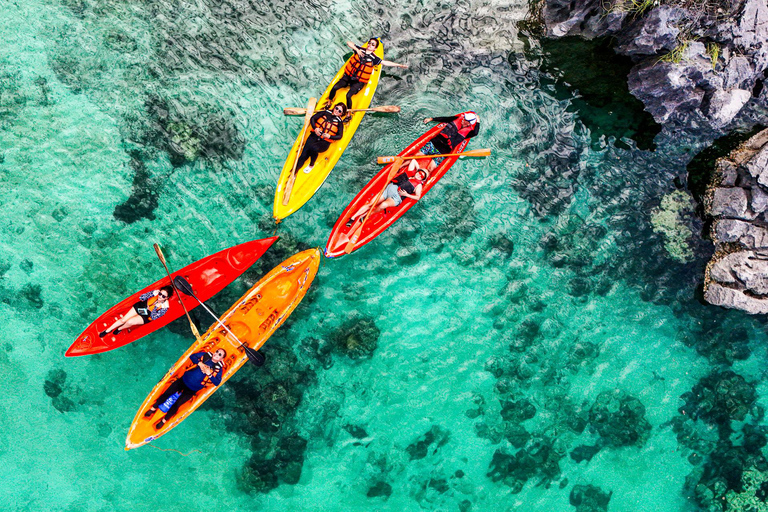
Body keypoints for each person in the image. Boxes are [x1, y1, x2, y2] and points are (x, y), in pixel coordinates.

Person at [143, 348, 227, 430]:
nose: (216, 354)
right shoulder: (206, 355)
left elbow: (217, 382)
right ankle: (154, 408)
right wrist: (200, 363)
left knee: (177, 404)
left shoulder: (218, 369)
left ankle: (164, 420)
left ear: (221, 359)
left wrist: (209, 374)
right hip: (183, 380)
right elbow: (192, 356)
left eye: (219, 354)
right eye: (217, 351)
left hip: (192, 389)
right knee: (167, 393)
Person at [327, 38, 408, 109]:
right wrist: (357, 50)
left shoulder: (374, 58)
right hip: (348, 76)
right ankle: (329, 101)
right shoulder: (360, 49)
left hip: (358, 81)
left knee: (348, 96)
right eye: (369, 43)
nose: (369, 45)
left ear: (375, 48)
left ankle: (349, 113)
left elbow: (385, 62)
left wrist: (399, 65)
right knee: (334, 88)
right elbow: (349, 43)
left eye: (372, 45)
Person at [346, 159, 429, 226]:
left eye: (422, 176)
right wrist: (419, 170)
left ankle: (368, 215)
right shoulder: (412, 172)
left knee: (383, 205)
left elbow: (417, 197)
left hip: (395, 197)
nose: (419, 175)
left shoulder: (418, 186)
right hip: (387, 190)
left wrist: (406, 195)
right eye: (419, 173)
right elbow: (413, 160)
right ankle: (353, 218)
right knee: (371, 203)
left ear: (422, 179)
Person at [99, 286, 173, 337]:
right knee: (123, 320)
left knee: (130, 322)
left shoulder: (164, 308)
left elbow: (153, 317)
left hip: (147, 315)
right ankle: (107, 330)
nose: (160, 297)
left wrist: (156, 307)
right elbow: (141, 297)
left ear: (167, 298)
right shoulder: (155, 293)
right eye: (160, 294)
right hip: (141, 306)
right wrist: (151, 294)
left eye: (163, 296)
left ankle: (119, 329)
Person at [416, 112, 480, 171]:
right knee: (417, 155)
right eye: (464, 118)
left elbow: (475, 133)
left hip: (442, 152)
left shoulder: (468, 132)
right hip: (435, 143)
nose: (463, 119)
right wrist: (432, 119)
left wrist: (478, 120)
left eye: (465, 119)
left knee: (430, 168)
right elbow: (446, 118)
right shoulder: (457, 119)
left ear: (469, 123)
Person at [295, 102, 347, 174]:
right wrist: (315, 128)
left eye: (339, 111)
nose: (337, 111)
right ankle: (294, 173)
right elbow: (313, 118)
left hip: (324, 142)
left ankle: (311, 165)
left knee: (313, 148)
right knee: (303, 156)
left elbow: (339, 136)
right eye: (336, 108)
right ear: (334, 107)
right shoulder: (325, 112)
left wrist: (329, 136)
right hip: (314, 135)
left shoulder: (339, 122)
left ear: (341, 114)